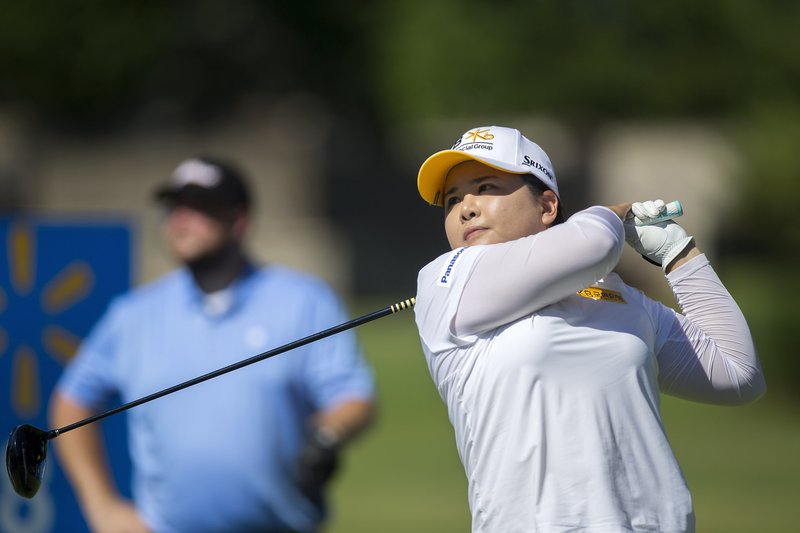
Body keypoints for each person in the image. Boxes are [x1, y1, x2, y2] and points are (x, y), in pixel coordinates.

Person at [413, 125, 765, 533]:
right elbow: (594, 244)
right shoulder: (448, 280)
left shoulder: (621, 300)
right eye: (452, 200)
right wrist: (613, 212)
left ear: (547, 206)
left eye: (486, 187)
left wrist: (679, 254)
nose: (465, 209)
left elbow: (738, 374)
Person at [49, 156, 376, 533]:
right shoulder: (133, 315)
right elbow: (71, 402)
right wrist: (101, 507)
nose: (180, 221)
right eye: (174, 209)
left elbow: (353, 396)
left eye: (200, 209)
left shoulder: (304, 300)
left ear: (240, 221)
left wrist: (326, 433)